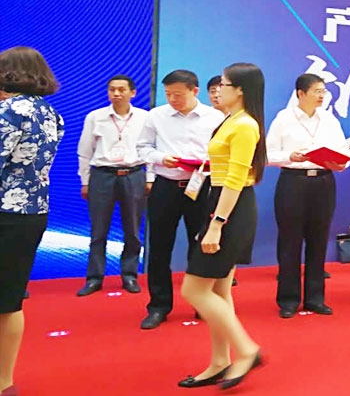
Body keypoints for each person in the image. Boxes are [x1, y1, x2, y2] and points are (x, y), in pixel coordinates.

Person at [179, 63, 265, 390]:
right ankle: (219, 361)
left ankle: (246, 349)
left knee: (193, 289)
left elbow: (236, 179)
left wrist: (217, 223)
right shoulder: (230, 120)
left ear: (240, 90)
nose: (218, 90)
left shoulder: (245, 125)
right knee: (218, 290)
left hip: (229, 209)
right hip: (220, 202)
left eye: (224, 84)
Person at [137, 70, 225, 330]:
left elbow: (223, 151)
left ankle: (202, 303)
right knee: (159, 247)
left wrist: (208, 163)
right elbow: (142, 148)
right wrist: (160, 158)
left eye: (178, 94)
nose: (173, 99)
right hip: (166, 185)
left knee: (200, 246)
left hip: (201, 186)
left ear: (194, 91)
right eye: (168, 94)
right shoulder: (156, 115)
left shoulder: (215, 117)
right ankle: (158, 306)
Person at [0, 47, 64, 396]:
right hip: (32, 212)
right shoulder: (51, 113)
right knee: (9, 300)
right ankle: (4, 381)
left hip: (4, 213)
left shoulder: (10, 111)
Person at [266, 73, 348, 318]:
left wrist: (341, 162)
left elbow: (342, 152)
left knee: (319, 240)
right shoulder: (283, 119)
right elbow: (267, 155)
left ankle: (315, 298)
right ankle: (288, 299)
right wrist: (289, 156)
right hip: (293, 181)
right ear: (300, 93)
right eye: (317, 91)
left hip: (324, 181)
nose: (322, 96)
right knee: (290, 241)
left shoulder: (329, 119)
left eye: (324, 91)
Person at [76, 75, 149, 297]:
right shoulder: (95, 117)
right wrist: (85, 181)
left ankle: (129, 275)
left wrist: (150, 178)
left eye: (121, 90)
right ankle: (94, 278)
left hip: (133, 174)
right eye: (112, 89)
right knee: (98, 230)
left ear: (133, 93)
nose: (116, 94)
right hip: (102, 175)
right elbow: (85, 151)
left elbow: (152, 149)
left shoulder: (145, 118)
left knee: (132, 230)